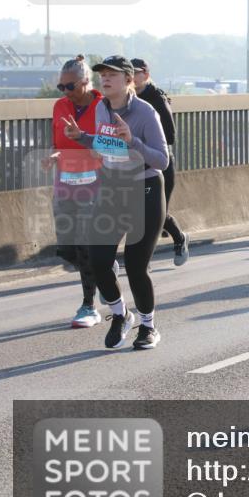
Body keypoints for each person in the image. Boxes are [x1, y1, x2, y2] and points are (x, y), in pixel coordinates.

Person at [63, 55, 169, 350]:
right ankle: (121, 315)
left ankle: (148, 326)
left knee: (136, 267)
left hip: (145, 188)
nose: (105, 79)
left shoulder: (146, 112)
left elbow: (162, 160)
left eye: (112, 74)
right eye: (102, 74)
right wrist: (82, 137)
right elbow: (108, 145)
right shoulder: (101, 107)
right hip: (114, 188)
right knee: (98, 260)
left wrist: (133, 140)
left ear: (128, 80)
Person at [46, 55, 106, 328]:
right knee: (66, 249)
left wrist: (91, 144)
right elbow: (58, 141)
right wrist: (55, 154)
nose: (65, 92)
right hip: (65, 182)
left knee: (84, 242)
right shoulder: (60, 106)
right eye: (61, 87)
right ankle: (102, 268)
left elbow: (114, 144)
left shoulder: (103, 106)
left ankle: (88, 306)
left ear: (85, 83)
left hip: (95, 183)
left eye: (70, 86)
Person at [131, 58, 189, 266]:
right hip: (133, 164)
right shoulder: (124, 99)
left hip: (158, 163)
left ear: (145, 75)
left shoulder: (156, 97)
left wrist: (144, 140)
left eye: (136, 72)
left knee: (155, 214)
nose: (132, 77)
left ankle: (179, 239)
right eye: (128, 73)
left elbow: (170, 135)